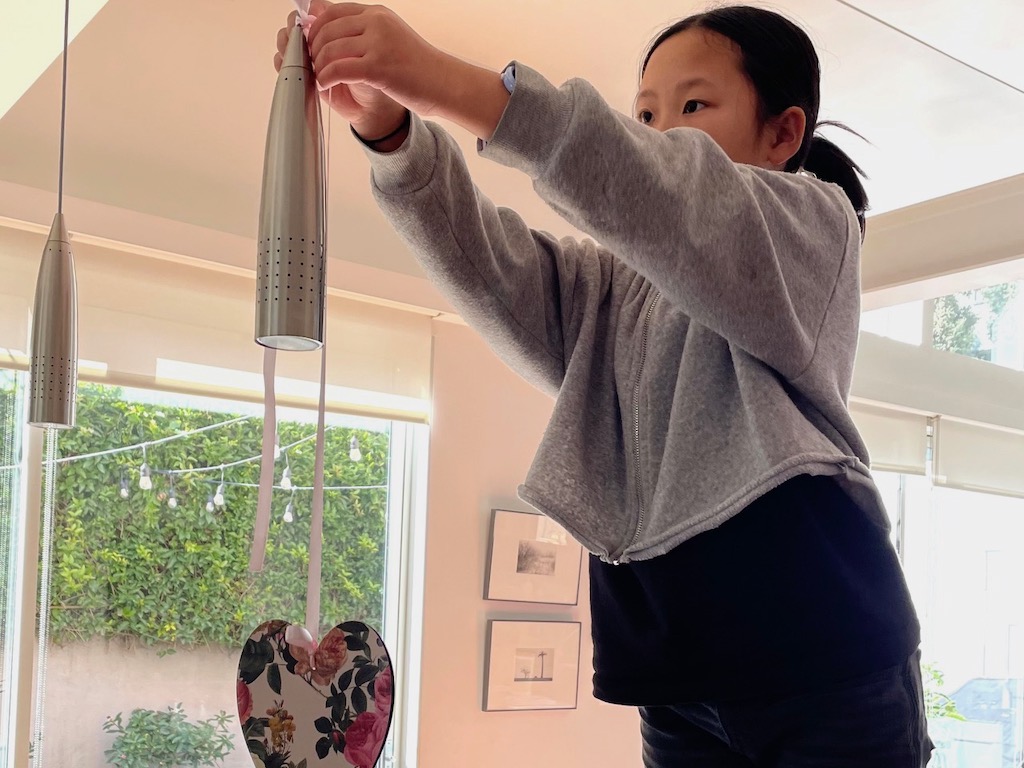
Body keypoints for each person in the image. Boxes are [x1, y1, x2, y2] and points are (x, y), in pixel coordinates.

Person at [275, 2, 934, 765]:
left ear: (784, 133)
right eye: (644, 111)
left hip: (820, 659)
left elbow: (670, 192)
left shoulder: (813, 231)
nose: (657, 131)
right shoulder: (612, 292)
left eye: (692, 105)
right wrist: (393, 132)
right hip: (670, 669)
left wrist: (444, 81)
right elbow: (490, 268)